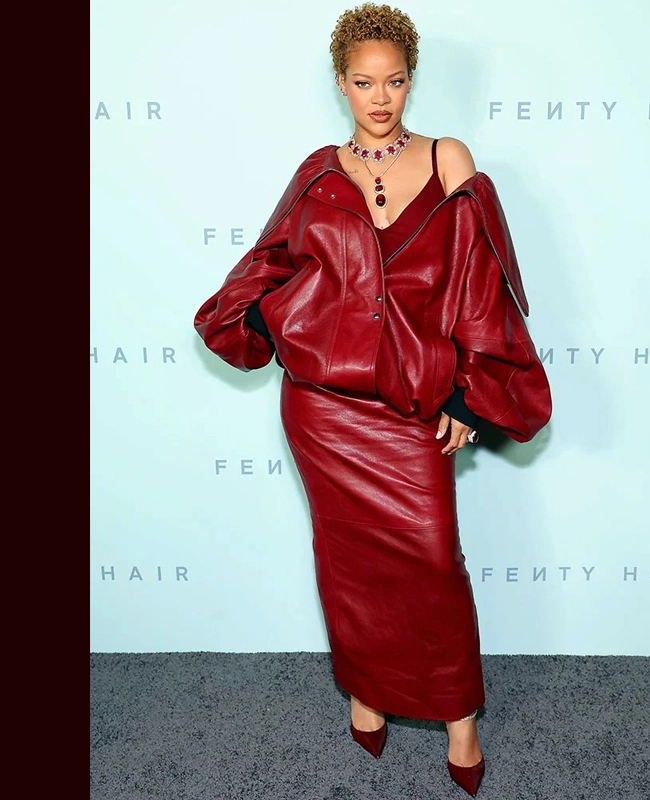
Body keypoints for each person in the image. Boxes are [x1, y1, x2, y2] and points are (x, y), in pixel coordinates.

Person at [194, 3, 552, 795]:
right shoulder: (318, 172)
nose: (380, 97)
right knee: (347, 562)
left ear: (411, 80)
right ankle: (366, 693)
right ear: (341, 83)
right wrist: (283, 319)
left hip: (413, 403)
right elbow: (265, 269)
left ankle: (460, 720)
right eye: (363, 82)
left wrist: (470, 392)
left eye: (393, 81)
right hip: (324, 412)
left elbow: (479, 282)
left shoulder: (449, 157)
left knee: (433, 560)